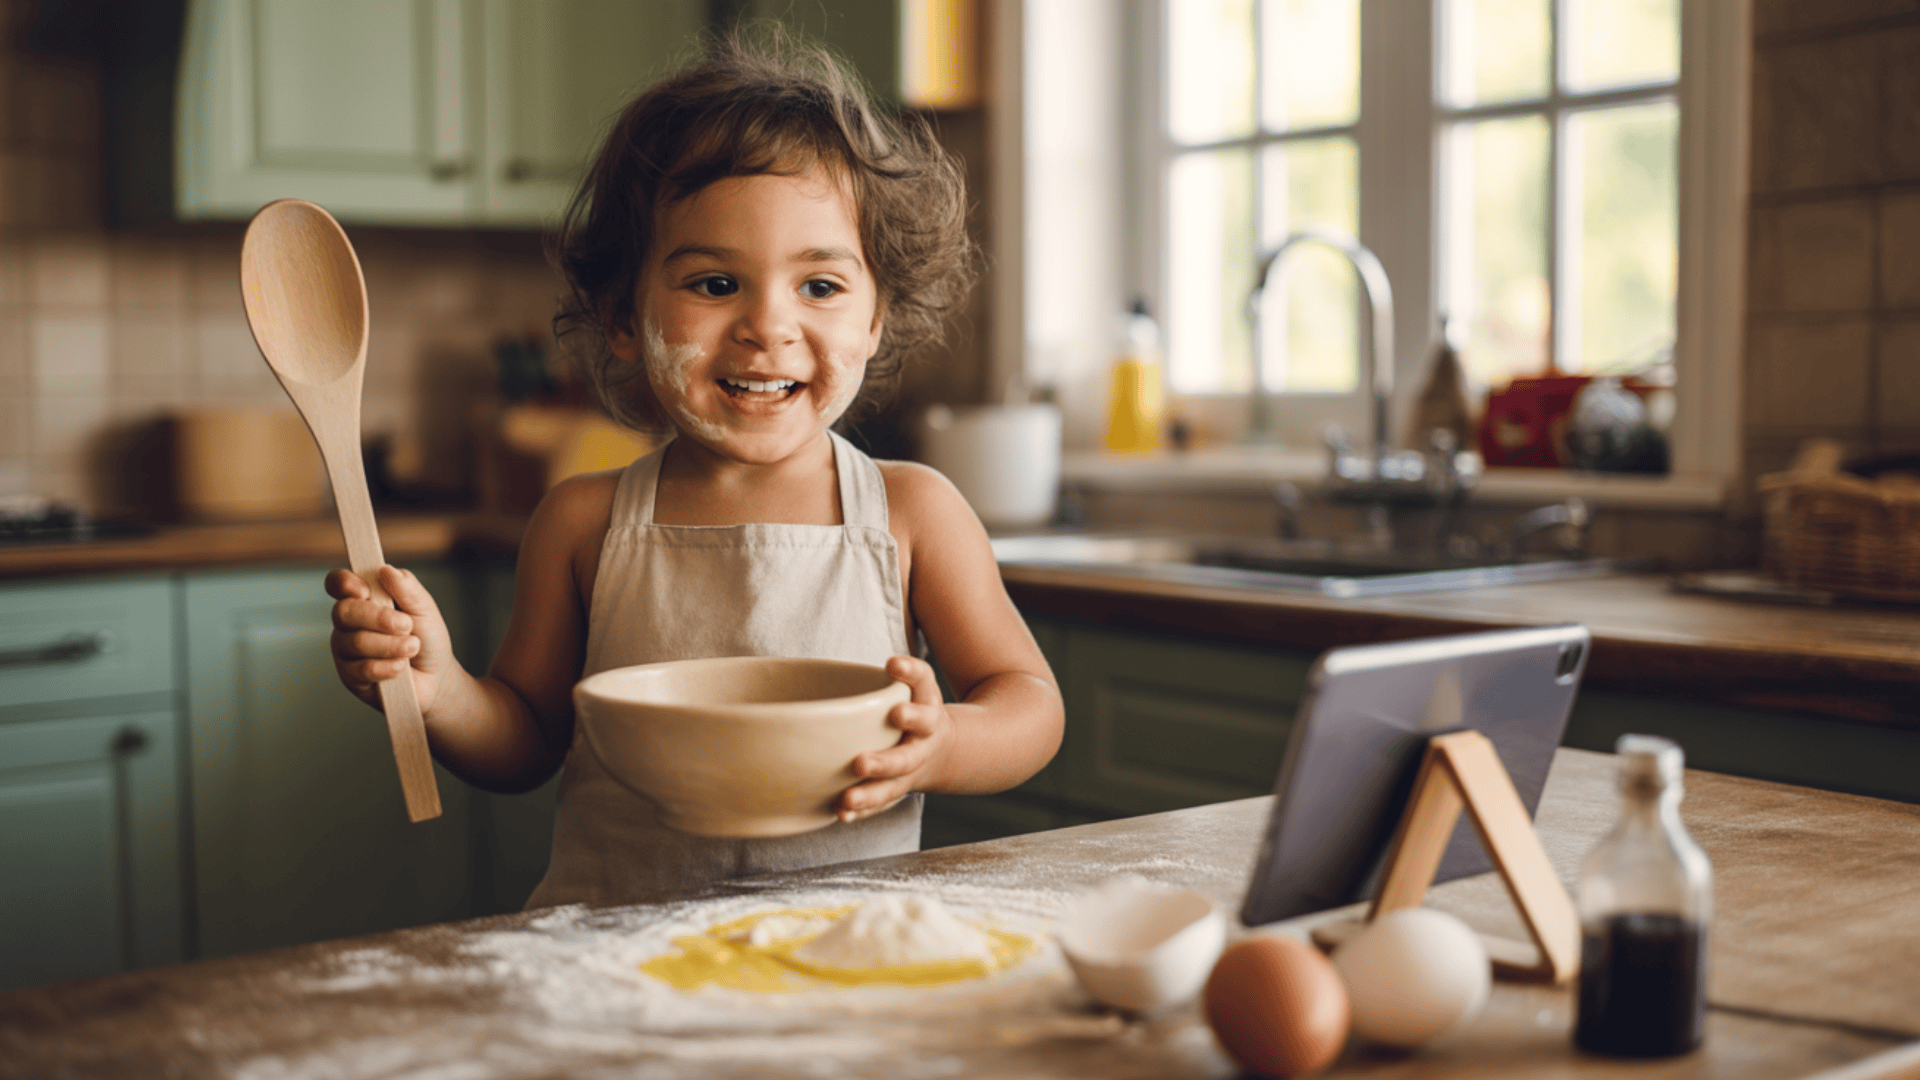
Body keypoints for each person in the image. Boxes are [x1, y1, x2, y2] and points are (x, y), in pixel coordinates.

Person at [324, 34, 1063, 908]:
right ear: (626, 320)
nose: (768, 326)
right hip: (614, 955)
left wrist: (943, 745)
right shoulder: (581, 523)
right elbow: (524, 740)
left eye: (819, 287)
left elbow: (1031, 705)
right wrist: (436, 688)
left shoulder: (912, 511)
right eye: (715, 285)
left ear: (876, 318)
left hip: (836, 959)